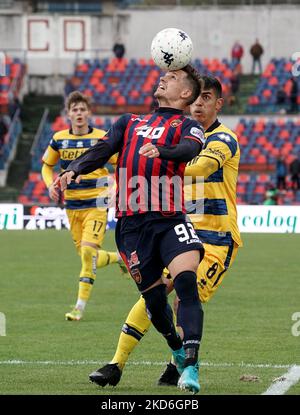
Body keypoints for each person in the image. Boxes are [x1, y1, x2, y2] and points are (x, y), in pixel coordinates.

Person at [80, 76, 242, 390]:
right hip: (175, 225)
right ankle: (117, 363)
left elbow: (199, 167)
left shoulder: (223, 138)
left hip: (217, 237)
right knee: (151, 297)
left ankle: (179, 366)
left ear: (217, 104)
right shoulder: (168, 132)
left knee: (185, 294)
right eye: (196, 98)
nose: (199, 104)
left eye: (206, 98)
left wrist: (153, 155)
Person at [56, 66, 205, 393]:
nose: (164, 76)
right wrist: (73, 170)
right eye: (165, 74)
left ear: (185, 94)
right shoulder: (129, 121)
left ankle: (191, 366)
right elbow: (101, 151)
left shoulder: (188, 125)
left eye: (174, 77)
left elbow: (189, 151)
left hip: (170, 219)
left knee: (185, 281)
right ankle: (177, 350)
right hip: (130, 227)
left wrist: (162, 151)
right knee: (154, 303)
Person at [41, 91, 127, 322]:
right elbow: (47, 166)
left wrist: (114, 188)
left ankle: (79, 307)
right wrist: (50, 185)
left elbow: (121, 163)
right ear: (68, 114)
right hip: (72, 206)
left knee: (88, 253)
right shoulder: (59, 138)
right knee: (88, 258)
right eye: (74, 110)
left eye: (82, 109)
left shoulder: (102, 138)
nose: (79, 113)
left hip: (96, 204)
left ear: (89, 112)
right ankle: (121, 258)